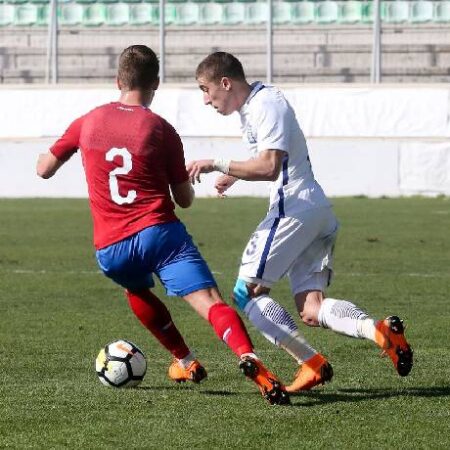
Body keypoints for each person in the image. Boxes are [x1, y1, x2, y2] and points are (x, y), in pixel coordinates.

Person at [36, 45, 290, 406]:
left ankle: (184, 361)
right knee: (210, 302)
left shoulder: (87, 121)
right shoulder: (161, 129)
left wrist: (43, 158)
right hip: (160, 234)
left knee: (137, 291)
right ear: (155, 83)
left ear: (117, 80)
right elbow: (184, 200)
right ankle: (248, 356)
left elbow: (44, 169)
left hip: (112, 246)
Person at [187, 51, 413, 393]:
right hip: (313, 209)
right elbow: (267, 158)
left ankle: (311, 364)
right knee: (312, 308)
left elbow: (269, 167)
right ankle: (381, 332)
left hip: (293, 208)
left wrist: (217, 163)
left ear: (225, 82)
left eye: (206, 90)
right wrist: (235, 176)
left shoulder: (266, 105)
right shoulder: (255, 107)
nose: (206, 100)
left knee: (244, 293)